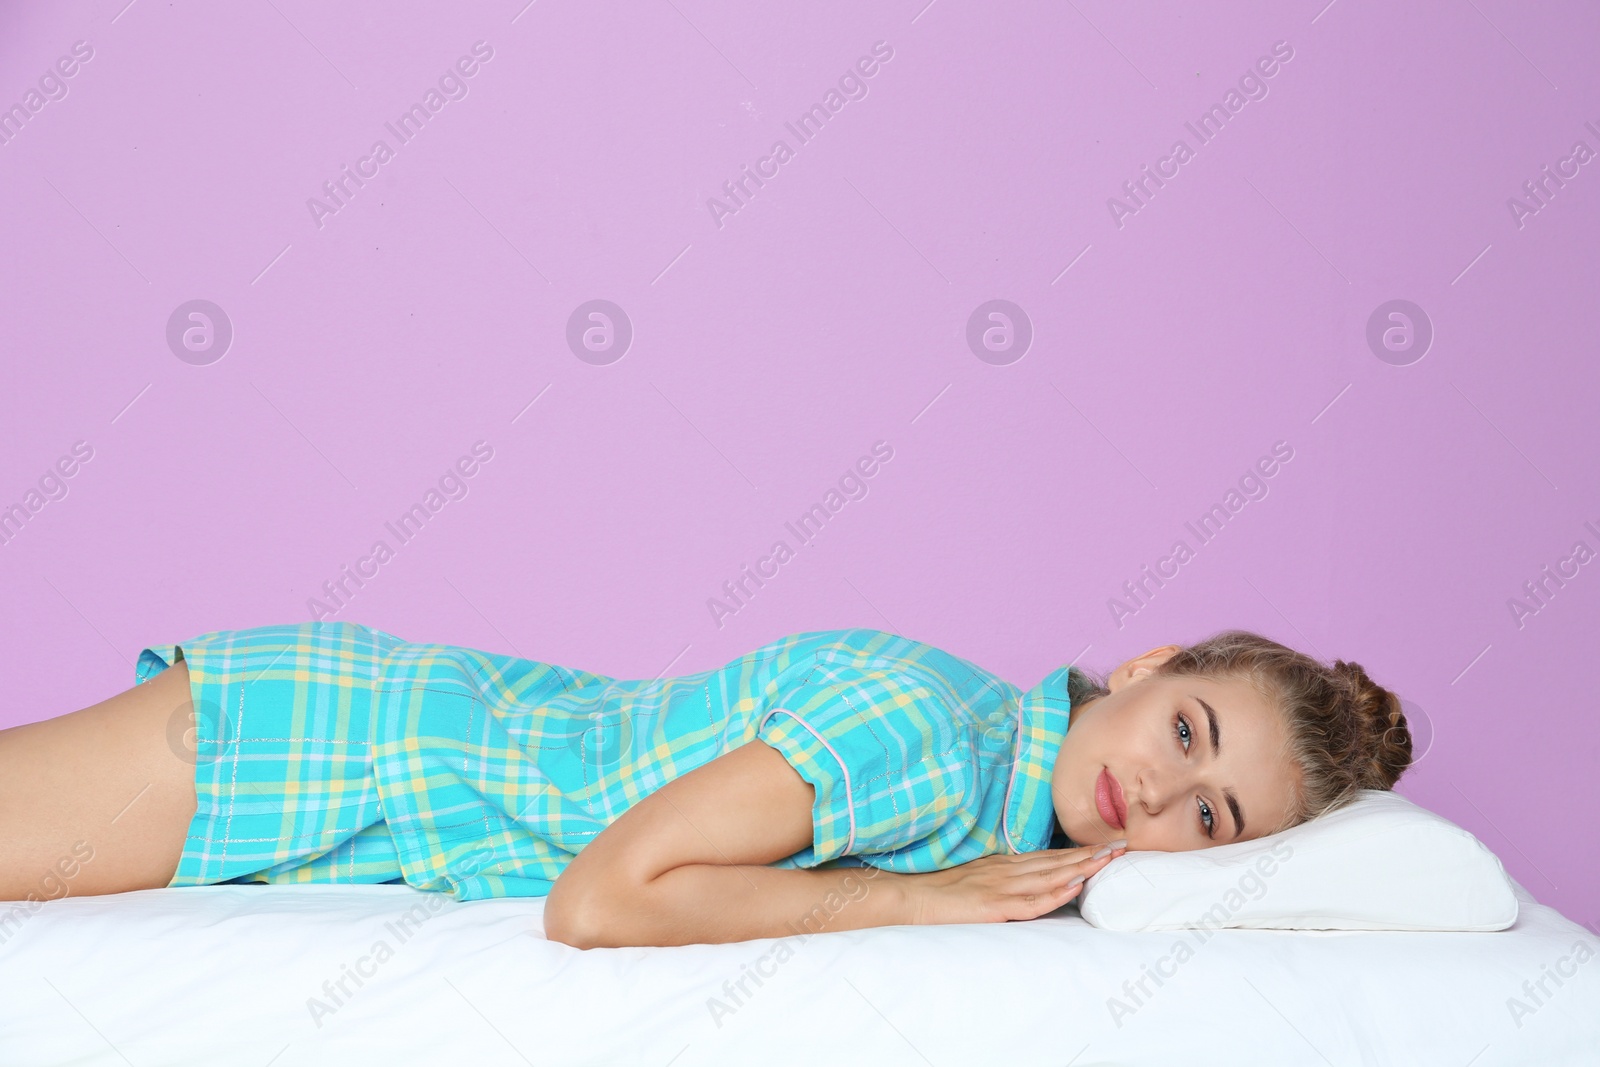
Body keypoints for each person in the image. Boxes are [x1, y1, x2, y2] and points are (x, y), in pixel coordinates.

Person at [0, 620, 1412, 948]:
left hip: (374, 784)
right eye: (1185, 736)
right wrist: (918, 907)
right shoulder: (932, 735)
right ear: (1152, 665)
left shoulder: (997, 788)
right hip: (337, 742)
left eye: (1213, 819)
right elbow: (600, 903)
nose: (1160, 803)